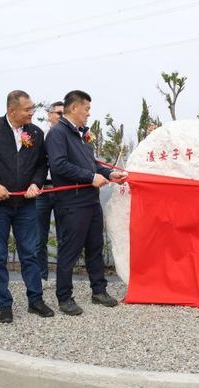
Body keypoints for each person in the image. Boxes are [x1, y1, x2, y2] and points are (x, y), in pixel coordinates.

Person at [0, 90, 54, 323]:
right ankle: (3, 304)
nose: (31, 113)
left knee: (30, 252)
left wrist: (37, 183)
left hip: (26, 204)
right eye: (27, 110)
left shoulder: (35, 132)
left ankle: (35, 300)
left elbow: (41, 164)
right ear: (11, 110)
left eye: (32, 109)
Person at [45, 90, 126, 315]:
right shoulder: (58, 134)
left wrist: (109, 174)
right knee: (70, 251)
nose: (89, 114)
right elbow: (59, 165)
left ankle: (99, 290)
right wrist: (91, 178)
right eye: (87, 109)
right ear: (74, 108)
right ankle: (64, 297)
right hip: (72, 203)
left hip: (90, 201)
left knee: (95, 248)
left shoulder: (81, 134)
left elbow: (91, 164)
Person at [36, 101, 64, 283]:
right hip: (42, 191)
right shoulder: (39, 136)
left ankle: (63, 277)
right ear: (50, 115)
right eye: (58, 113)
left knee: (64, 237)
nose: (61, 116)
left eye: (64, 113)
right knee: (39, 237)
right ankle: (40, 276)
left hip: (63, 190)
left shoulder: (73, 137)